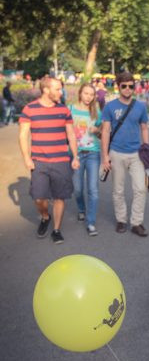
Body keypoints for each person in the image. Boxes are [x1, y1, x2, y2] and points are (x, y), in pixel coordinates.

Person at [18, 77, 80, 244]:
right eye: (58, 89)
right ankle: (45, 216)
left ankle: (56, 229)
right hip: (39, 160)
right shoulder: (29, 109)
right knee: (39, 197)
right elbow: (23, 135)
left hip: (61, 160)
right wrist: (26, 158)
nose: (61, 92)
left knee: (60, 196)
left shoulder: (64, 110)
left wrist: (75, 156)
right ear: (46, 90)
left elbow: (71, 134)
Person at [101, 71, 149, 237]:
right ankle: (121, 220)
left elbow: (144, 128)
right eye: (124, 86)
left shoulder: (140, 106)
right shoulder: (110, 107)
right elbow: (106, 131)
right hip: (116, 153)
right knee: (118, 190)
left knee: (141, 189)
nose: (128, 89)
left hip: (137, 154)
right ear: (118, 86)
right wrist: (104, 157)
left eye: (131, 86)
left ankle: (136, 222)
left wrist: (147, 149)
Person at [70, 83, 102, 236]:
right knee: (77, 189)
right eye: (86, 93)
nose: (88, 97)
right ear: (80, 93)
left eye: (91, 94)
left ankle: (91, 222)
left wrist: (97, 130)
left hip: (93, 153)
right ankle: (81, 209)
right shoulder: (71, 110)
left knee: (93, 190)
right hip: (76, 154)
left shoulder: (96, 111)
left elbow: (102, 132)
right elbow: (65, 131)